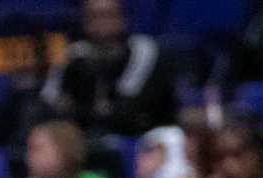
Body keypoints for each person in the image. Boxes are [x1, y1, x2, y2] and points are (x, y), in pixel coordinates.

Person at [38, 0, 178, 139]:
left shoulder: (144, 49)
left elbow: (126, 112)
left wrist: (76, 109)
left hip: (143, 140)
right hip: (86, 141)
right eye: (94, 16)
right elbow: (48, 102)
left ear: (123, 19)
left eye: (108, 15)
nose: (102, 24)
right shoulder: (74, 54)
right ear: (85, 22)